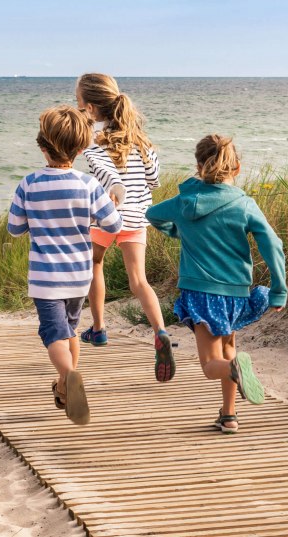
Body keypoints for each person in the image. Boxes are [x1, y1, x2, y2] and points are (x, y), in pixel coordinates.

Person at [145, 134, 287, 434]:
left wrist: (178, 230)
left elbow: (152, 215)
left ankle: (234, 371)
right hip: (236, 294)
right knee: (229, 348)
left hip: (202, 293)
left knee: (212, 364)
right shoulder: (244, 204)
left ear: (198, 167)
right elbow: (272, 243)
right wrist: (279, 289)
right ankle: (229, 414)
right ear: (237, 168)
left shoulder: (184, 202)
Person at [7, 105, 123, 425]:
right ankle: (64, 386)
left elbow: (14, 228)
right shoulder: (88, 185)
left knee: (53, 334)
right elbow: (113, 225)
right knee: (70, 329)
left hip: (46, 278)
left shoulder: (29, 184)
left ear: (42, 147)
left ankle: (68, 374)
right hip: (79, 276)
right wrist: (111, 204)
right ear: (82, 149)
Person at [75, 73, 175, 383]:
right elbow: (154, 179)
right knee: (139, 280)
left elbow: (103, 172)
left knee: (95, 263)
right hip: (136, 217)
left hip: (107, 214)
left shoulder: (95, 141)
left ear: (91, 109)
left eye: (78, 103)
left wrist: (115, 187)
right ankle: (160, 331)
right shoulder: (140, 141)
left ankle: (99, 329)